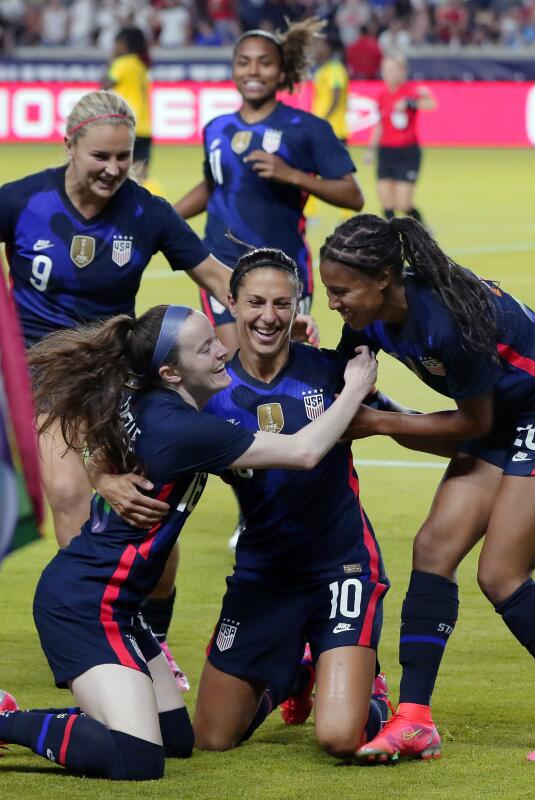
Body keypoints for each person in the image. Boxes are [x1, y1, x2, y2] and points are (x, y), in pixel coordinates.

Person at [0, 304, 379, 780]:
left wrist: (100, 474)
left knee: (175, 740)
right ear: (171, 371)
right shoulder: (182, 429)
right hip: (83, 606)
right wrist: (356, 386)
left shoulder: (149, 396)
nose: (222, 351)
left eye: (214, 341)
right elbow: (303, 451)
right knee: (138, 758)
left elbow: (90, 428)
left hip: (119, 607)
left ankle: (283, 677)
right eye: (206, 348)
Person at [0, 90, 234, 689]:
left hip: (121, 375)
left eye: (124, 157)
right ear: (69, 146)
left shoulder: (148, 212)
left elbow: (214, 275)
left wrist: (267, 308)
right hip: (43, 374)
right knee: (67, 490)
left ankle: (151, 640)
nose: (113, 169)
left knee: (151, 510)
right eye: (101, 156)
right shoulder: (20, 200)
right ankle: (94, 631)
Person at [318, 214, 535, 763]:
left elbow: (470, 429)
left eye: (342, 291)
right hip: (503, 412)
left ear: (384, 277)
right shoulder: (370, 317)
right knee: (434, 548)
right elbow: (338, 383)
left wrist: (384, 422)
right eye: (329, 291)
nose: (334, 303)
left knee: (501, 573)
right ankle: (413, 720)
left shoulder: (447, 324)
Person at [190, 249, 393, 760]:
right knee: (212, 738)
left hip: (340, 563)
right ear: (231, 303)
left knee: (338, 738)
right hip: (264, 573)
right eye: (255, 302)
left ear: (297, 306)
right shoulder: (210, 393)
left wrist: (476, 437)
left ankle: (371, 694)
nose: (268, 316)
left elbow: (400, 421)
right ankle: (294, 672)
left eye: (283, 303)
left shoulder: (330, 373)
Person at [174, 18, 364, 351]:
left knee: (281, 378)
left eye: (265, 63)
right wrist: (164, 217)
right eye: (243, 62)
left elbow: (353, 195)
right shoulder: (216, 129)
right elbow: (212, 186)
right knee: (231, 375)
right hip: (221, 267)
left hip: (282, 269)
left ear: (281, 71)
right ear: (233, 69)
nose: (253, 71)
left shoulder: (307, 128)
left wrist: (291, 175)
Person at [368, 52, 435, 225]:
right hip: (386, 152)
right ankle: (393, 239)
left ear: (401, 71)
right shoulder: (382, 96)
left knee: (403, 203)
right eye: (385, 70)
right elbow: (380, 124)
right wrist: (370, 149)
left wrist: (410, 103)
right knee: (386, 202)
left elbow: (430, 104)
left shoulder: (410, 91)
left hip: (407, 152)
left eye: (392, 69)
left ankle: (423, 230)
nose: (388, 74)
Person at [102, 26, 160, 193]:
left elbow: (104, 85)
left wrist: (111, 61)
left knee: (117, 173)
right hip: (145, 127)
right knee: (141, 177)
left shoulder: (122, 63)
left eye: (116, 44)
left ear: (123, 44)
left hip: (125, 124)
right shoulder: (141, 65)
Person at [305, 32, 353, 225]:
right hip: (323, 128)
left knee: (339, 174)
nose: (315, 48)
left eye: (318, 44)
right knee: (311, 170)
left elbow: (336, 95)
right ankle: (310, 212)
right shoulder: (324, 69)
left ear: (328, 47)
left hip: (334, 129)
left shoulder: (334, 69)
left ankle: (346, 215)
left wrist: (322, 120)